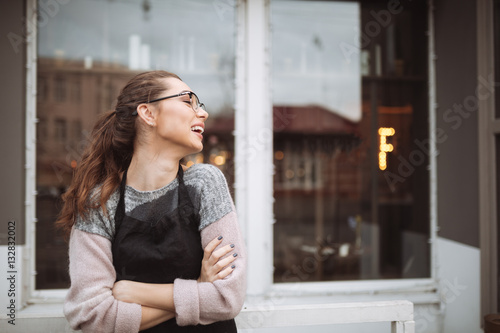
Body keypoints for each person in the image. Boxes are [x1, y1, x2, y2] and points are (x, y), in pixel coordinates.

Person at [56, 70, 246, 332]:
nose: (203, 113)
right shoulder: (99, 202)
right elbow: (90, 315)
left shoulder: (204, 183)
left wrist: (131, 292)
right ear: (148, 113)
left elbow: (228, 299)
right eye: (187, 101)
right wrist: (200, 288)